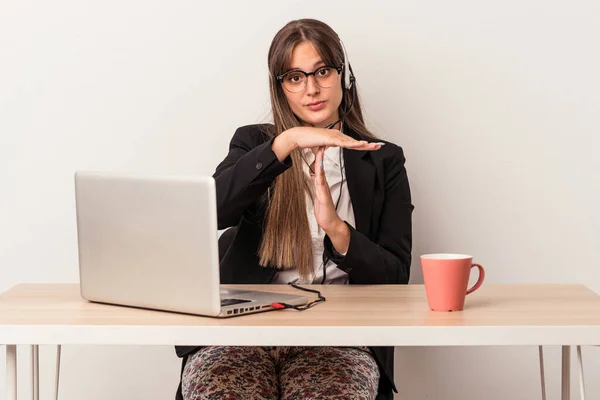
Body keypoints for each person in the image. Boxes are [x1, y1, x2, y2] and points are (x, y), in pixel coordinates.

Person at [175, 18, 413, 400]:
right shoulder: (254, 144)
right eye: (295, 77)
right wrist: (285, 143)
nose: (312, 89)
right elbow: (212, 212)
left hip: (339, 338)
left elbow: (397, 277)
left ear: (344, 75)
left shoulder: (384, 159)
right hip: (241, 334)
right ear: (280, 87)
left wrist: (337, 229)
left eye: (322, 71)